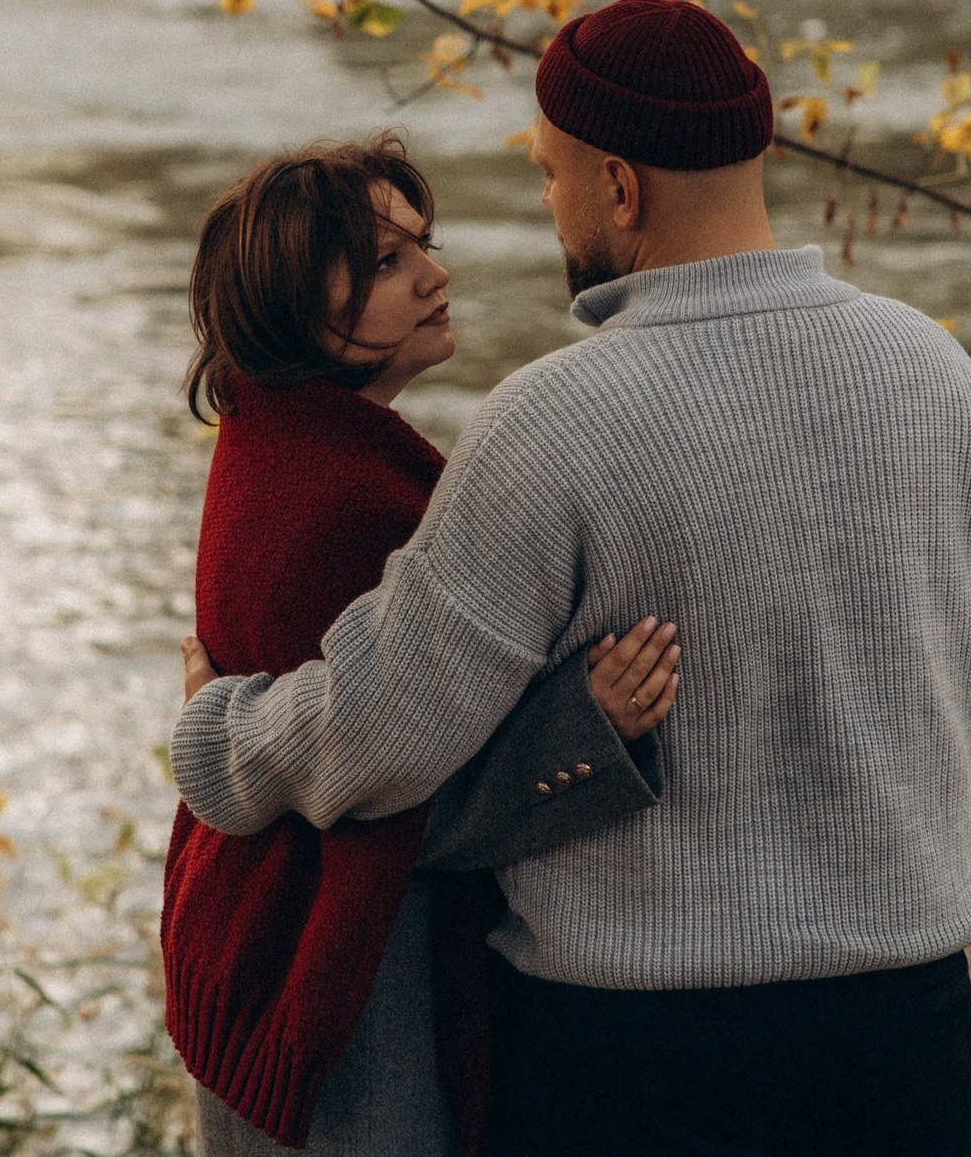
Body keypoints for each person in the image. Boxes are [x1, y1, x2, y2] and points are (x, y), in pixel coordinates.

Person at [172, 0, 971, 1157]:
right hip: (904, 1031)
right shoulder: (931, 368)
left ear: (620, 188)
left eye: (550, 177)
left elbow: (379, 733)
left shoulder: (551, 422)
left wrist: (217, 737)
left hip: (630, 1055)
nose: (547, 206)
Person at [162, 135, 683, 1157]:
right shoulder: (346, 501)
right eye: (388, 262)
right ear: (297, 305)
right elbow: (371, 814)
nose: (436, 274)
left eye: (423, 245)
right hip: (343, 1001)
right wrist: (584, 730)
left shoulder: (272, 438)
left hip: (262, 960)